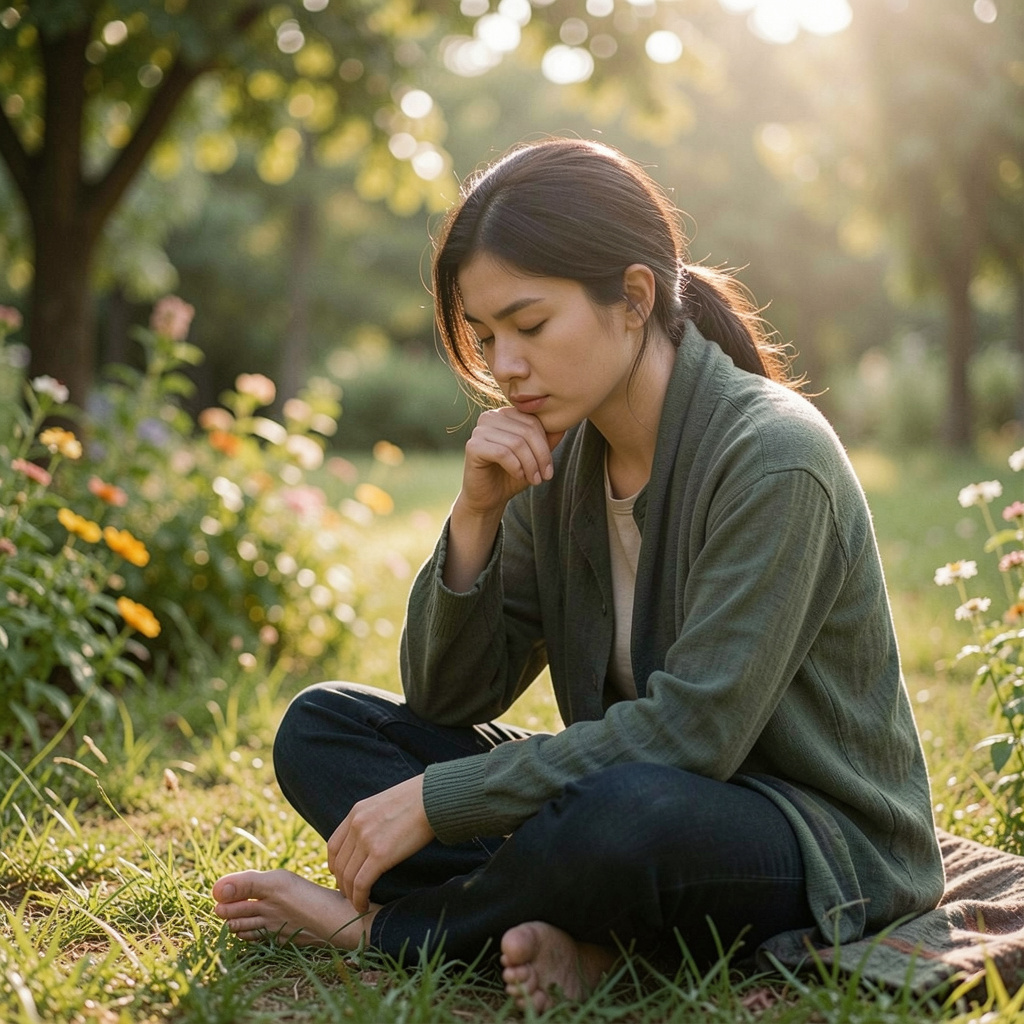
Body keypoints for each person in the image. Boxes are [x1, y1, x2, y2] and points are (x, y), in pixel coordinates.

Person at [212, 137, 944, 1012]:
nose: (504, 367)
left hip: (805, 834)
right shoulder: (558, 458)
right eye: (485, 337)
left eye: (529, 325)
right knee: (323, 728)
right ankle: (584, 939)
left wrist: (441, 804)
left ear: (634, 298)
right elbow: (448, 698)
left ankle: (384, 933)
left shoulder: (774, 458)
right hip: (634, 797)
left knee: (622, 818)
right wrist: (476, 516)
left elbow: (693, 736)